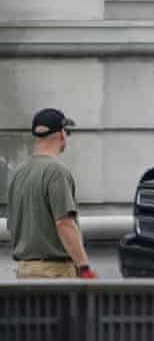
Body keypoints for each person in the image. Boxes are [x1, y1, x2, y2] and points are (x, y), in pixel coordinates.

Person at [6, 108, 95, 279]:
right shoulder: (56, 172)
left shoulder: (18, 174)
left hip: (24, 272)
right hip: (55, 274)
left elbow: (12, 225)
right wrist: (84, 268)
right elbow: (64, 223)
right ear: (61, 133)